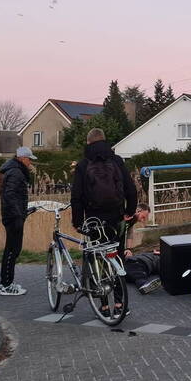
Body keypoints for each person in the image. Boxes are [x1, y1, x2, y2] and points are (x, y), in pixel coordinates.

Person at [71, 128, 137, 314]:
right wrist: (129, 212)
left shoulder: (83, 165)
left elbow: (76, 196)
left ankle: (104, 305)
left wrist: (77, 222)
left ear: (88, 142)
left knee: (95, 259)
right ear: (104, 141)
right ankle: (120, 303)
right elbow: (131, 189)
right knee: (117, 256)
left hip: (94, 219)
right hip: (116, 217)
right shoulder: (116, 161)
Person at [0, 146, 36, 296]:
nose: (30, 162)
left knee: (11, 249)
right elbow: (10, 195)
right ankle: (6, 284)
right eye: (29, 159)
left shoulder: (13, 170)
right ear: (22, 158)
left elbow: (14, 196)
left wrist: (23, 211)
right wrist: (19, 215)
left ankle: (4, 283)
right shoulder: (16, 172)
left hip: (13, 215)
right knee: (14, 249)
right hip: (13, 217)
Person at [122, 204, 161, 294]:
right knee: (135, 268)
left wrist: (128, 249)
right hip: (136, 262)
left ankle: (143, 284)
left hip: (136, 263)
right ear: (138, 211)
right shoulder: (126, 215)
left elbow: (130, 234)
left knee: (135, 270)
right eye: (143, 217)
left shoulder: (132, 221)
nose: (143, 220)